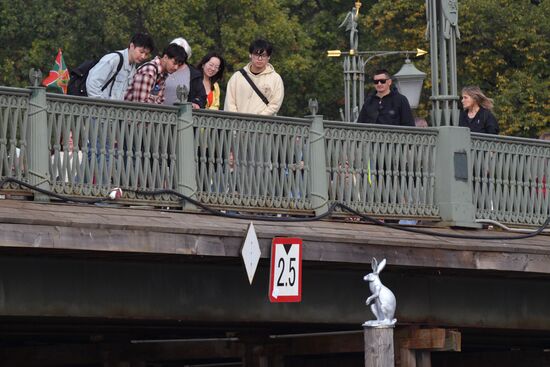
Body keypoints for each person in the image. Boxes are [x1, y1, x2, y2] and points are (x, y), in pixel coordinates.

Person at [224, 39, 284, 115]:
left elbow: (275, 104)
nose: (259, 59)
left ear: (269, 57)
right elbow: (230, 102)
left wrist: (258, 119)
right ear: (250, 55)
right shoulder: (237, 77)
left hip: (262, 124)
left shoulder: (275, 79)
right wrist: (237, 119)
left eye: (263, 55)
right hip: (237, 124)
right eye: (256, 54)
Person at [86, 33, 155, 100]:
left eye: (146, 54)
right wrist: (101, 105)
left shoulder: (133, 69)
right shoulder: (113, 59)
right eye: (141, 52)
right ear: (132, 46)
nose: (143, 56)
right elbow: (92, 83)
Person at [163, 38, 207, 108]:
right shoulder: (159, 69)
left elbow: (201, 97)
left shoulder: (194, 74)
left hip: (181, 115)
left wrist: (196, 103)